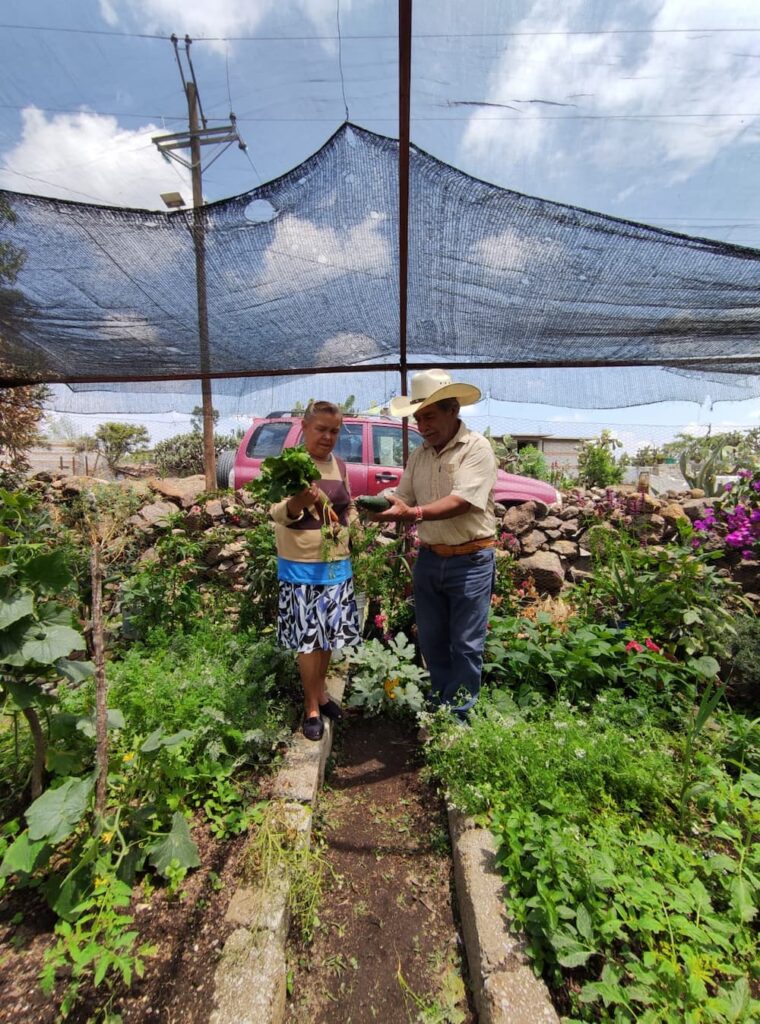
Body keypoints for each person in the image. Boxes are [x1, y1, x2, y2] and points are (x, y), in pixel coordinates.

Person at [372, 369, 498, 717]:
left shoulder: (477, 449)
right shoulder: (421, 455)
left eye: (429, 416)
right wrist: (374, 507)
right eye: (418, 418)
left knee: (467, 644)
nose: (422, 425)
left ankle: (459, 717)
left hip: (470, 561)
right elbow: (402, 496)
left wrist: (412, 514)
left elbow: (463, 501)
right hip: (430, 560)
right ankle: (443, 704)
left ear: (452, 409)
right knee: (432, 640)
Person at [270, 400, 362, 740]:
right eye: (321, 429)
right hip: (302, 567)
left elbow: (347, 502)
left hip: (336, 564)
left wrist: (350, 524)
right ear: (304, 427)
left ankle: (321, 693)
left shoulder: (338, 465)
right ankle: (310, 706)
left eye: (334, 430)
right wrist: (299, 503)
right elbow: (277, 512)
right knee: (308, 639)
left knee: (326, 636)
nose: (328, 436)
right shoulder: (290, 465)